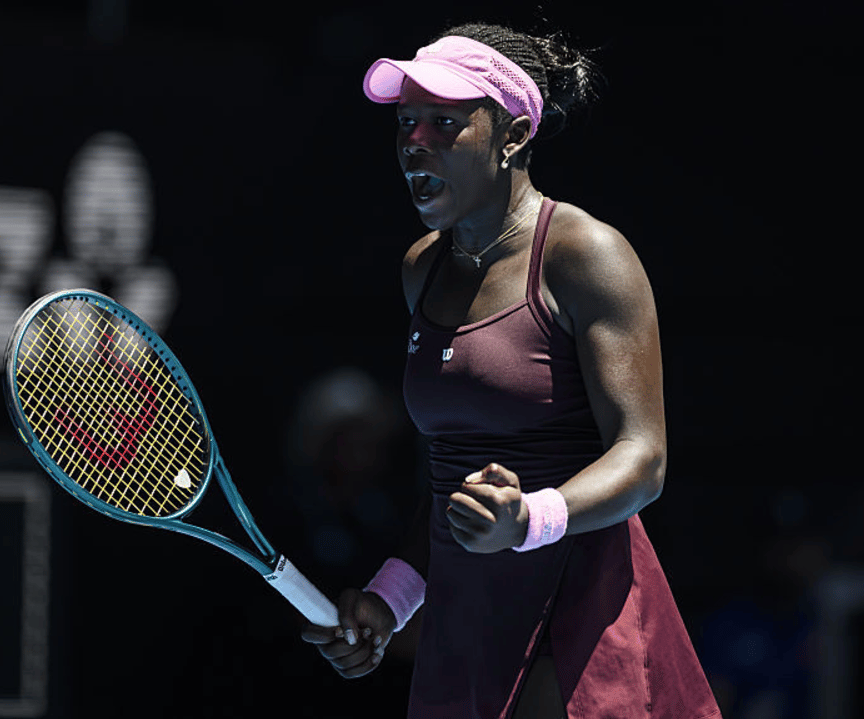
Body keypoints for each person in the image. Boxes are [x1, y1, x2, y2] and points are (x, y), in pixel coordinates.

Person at [302, 22, 721, 719]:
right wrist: (389, 598)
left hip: (582, 624)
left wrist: (529, 517)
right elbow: (447, 481)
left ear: (514, 135)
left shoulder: (586, 255)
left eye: (445, 122)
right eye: (407, 122)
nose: (415, 142)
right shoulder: (421, 269)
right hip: (467, 628)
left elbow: (643, 458)